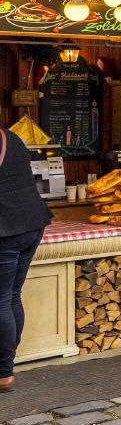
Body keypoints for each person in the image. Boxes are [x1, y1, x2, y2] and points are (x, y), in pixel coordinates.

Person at [0, 128, 50, 391]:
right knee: (11, 295)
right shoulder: (12, 136)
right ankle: (7, 363)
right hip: (31, 222)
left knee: (1, 300)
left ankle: (3, 373)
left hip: (6, 228)